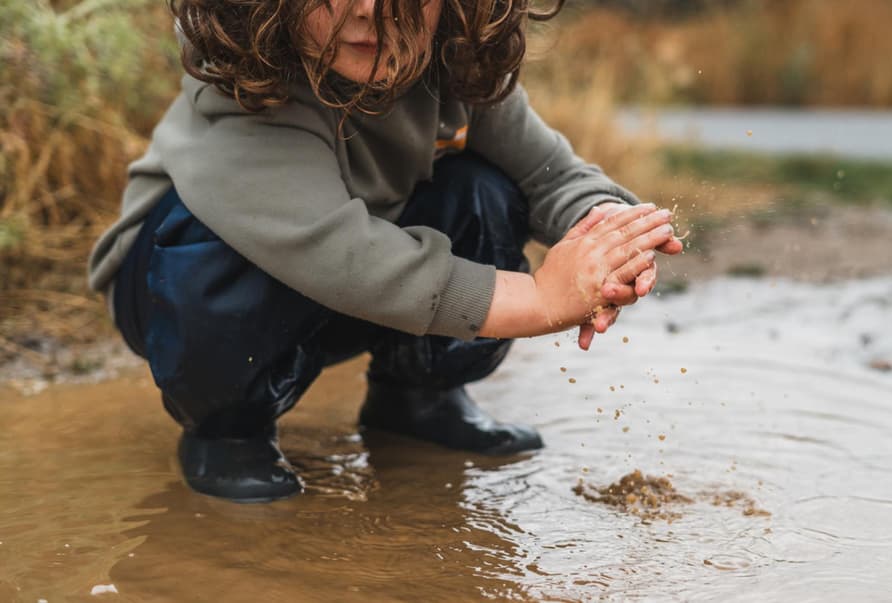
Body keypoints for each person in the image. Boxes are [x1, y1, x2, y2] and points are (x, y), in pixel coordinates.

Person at [87, 0, 682, 503]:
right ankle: (225, 429)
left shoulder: (448, 60)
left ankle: (418, 400)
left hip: (358, 279)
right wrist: (542, 299)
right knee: (222, 249)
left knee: (482, 187)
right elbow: (344, 255)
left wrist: (610, 232)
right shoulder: (245, 86)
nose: (371, 11)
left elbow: (548, 173)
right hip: (185, 286)